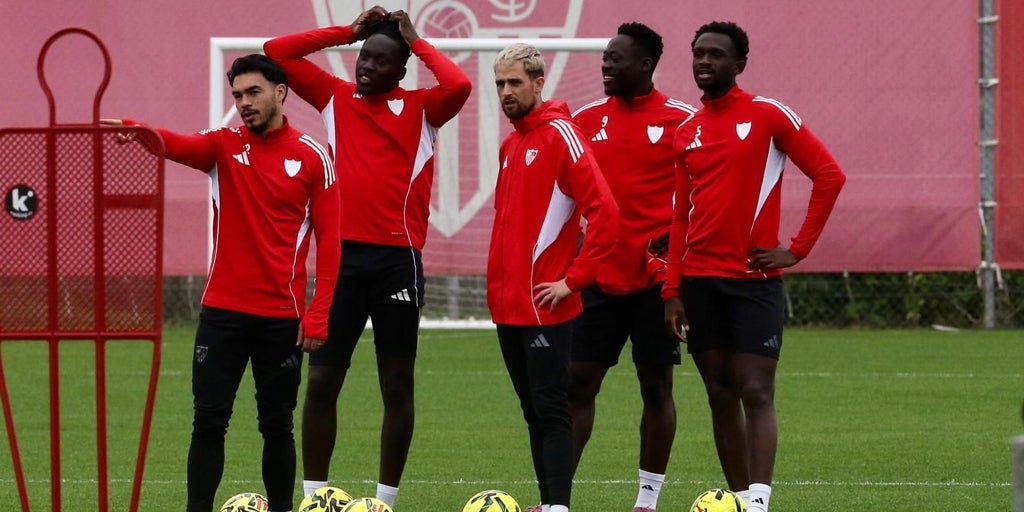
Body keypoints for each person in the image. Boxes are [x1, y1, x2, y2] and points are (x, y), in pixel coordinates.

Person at [103, 54, 340, 512]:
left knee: (277, 425)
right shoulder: (222, 145)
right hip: (222, 315)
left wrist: (319, 313)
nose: (245, 103)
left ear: (280, 92)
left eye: (253, 92)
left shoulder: (314, 155)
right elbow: (177, 144)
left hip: (281, 319)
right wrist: (139, 129)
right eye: (237, 95)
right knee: (208, 423)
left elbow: (331, 242)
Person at [263, 6, 472, 507]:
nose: (365, 66)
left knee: (396, 383)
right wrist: (347, 32)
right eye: (363, 57)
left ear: (401, 70)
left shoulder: (422, 107)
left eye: (380, 61)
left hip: (398, 262)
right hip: (343, 263)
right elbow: (277, 53)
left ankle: (384, 499)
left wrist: (416, 39)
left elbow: (460, 85)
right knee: (323, 378)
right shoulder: (336, 97)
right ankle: (315, 496)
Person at [662, 21, 846, 512]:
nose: (704, 61)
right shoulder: (687, 132)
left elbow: (829, 175)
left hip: (754, 283)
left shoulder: (768, 115)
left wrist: (797, 249)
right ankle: (741, 501)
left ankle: (760, 501)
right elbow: (680, 215)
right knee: (720, 393)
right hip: (699, 282)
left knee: (755, 389)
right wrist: (672, 289)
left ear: (739, 64)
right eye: (698, 53)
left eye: (716, 55)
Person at [568, 22, 696, 512]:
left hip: (655, 281)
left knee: (656, 385)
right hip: (596, 276)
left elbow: (703, 195)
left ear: (645, 65)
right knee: (576, 384)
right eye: (604, 57)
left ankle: (647, 501)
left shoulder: (681, 120)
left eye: (615, 59)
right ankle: (558, 499)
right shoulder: (585, 119)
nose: (605, 65)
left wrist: (677, 270)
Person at [489, 42, 620, 512]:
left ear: (539, 83)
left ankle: (559, 507)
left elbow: (605, 213)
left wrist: (574, 279)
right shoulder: (510, 144)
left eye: (515, 83)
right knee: (532, 413)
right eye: (500, 84)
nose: (505, 92)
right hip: (508, 307)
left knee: (552, 409)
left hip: (547, 305)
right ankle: (548, 505)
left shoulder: (562, 134)